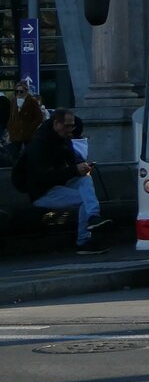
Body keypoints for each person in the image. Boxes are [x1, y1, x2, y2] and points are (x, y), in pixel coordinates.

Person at [24, 108, 111, 255]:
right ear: (56, 123)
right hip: (42, 191)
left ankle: (93, 217)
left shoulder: (64, 139)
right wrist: (74, 170)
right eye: (67, 125)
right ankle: (83, 241)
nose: (70, 129)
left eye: (72, 126)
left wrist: (82, 167)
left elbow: (72, 162)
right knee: (84, 199)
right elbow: (45, 176)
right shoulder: (39, 143)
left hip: (58, 184)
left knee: (85, 178)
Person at [6, 82, 44, 158]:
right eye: (17, 91)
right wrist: (10, 128)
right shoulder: (13, 101)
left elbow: (39, 117)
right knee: (14, 155)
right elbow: (11, 116)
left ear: (26, 91)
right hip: (15, 132)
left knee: (28, 154)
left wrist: (31, 127)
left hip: (27, 133)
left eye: (21, 91)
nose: (19, 93)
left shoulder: (32, 101)